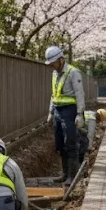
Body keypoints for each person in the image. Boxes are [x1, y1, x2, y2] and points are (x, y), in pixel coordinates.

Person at [45, 45, 86, 185]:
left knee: (70, 142)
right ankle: (64, 174)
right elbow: (53, 94)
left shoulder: (73, 72)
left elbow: (80, 93)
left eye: (53, 63)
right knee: (60, 144)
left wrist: (80, 113)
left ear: (61, 59)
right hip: (57, 110)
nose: (52, 66)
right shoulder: (54, 73)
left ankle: (72, 176)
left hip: (70, 111)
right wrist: (51, 112)